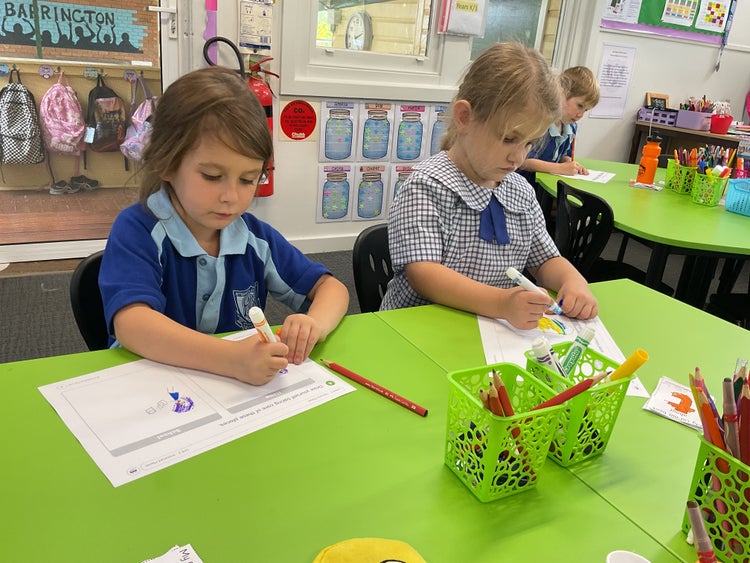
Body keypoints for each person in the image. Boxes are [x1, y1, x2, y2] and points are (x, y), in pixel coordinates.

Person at [99, 66, 349, 385]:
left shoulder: (254, 238)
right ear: (165, 162)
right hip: (152, 388)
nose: (231, 197)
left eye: (248, 179)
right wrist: (231, 359)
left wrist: (313, 324)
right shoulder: (139, 230)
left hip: (231, 392)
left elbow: (332, 289)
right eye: (212, 176)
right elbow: (132, 324)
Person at [379, 43, 598, 329]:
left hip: (490, 332)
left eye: (529, 143)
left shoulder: (520, 191)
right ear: (465, 117)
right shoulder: (427, 186)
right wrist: (501, 303)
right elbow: (424, 274)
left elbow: (545, 260)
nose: (518, 157)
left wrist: (573, 281)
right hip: (420, 329)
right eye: (509, 139)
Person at [519, 65, 600, 179]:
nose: (581, 115)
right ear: (562, 93)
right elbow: (523, 161)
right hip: (523, 183)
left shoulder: (571, 127)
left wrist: (571, 164)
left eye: (585, 110)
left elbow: (563, 156)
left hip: (547, 185)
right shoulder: (540, 123)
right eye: (580, 106)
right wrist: (560, 168)